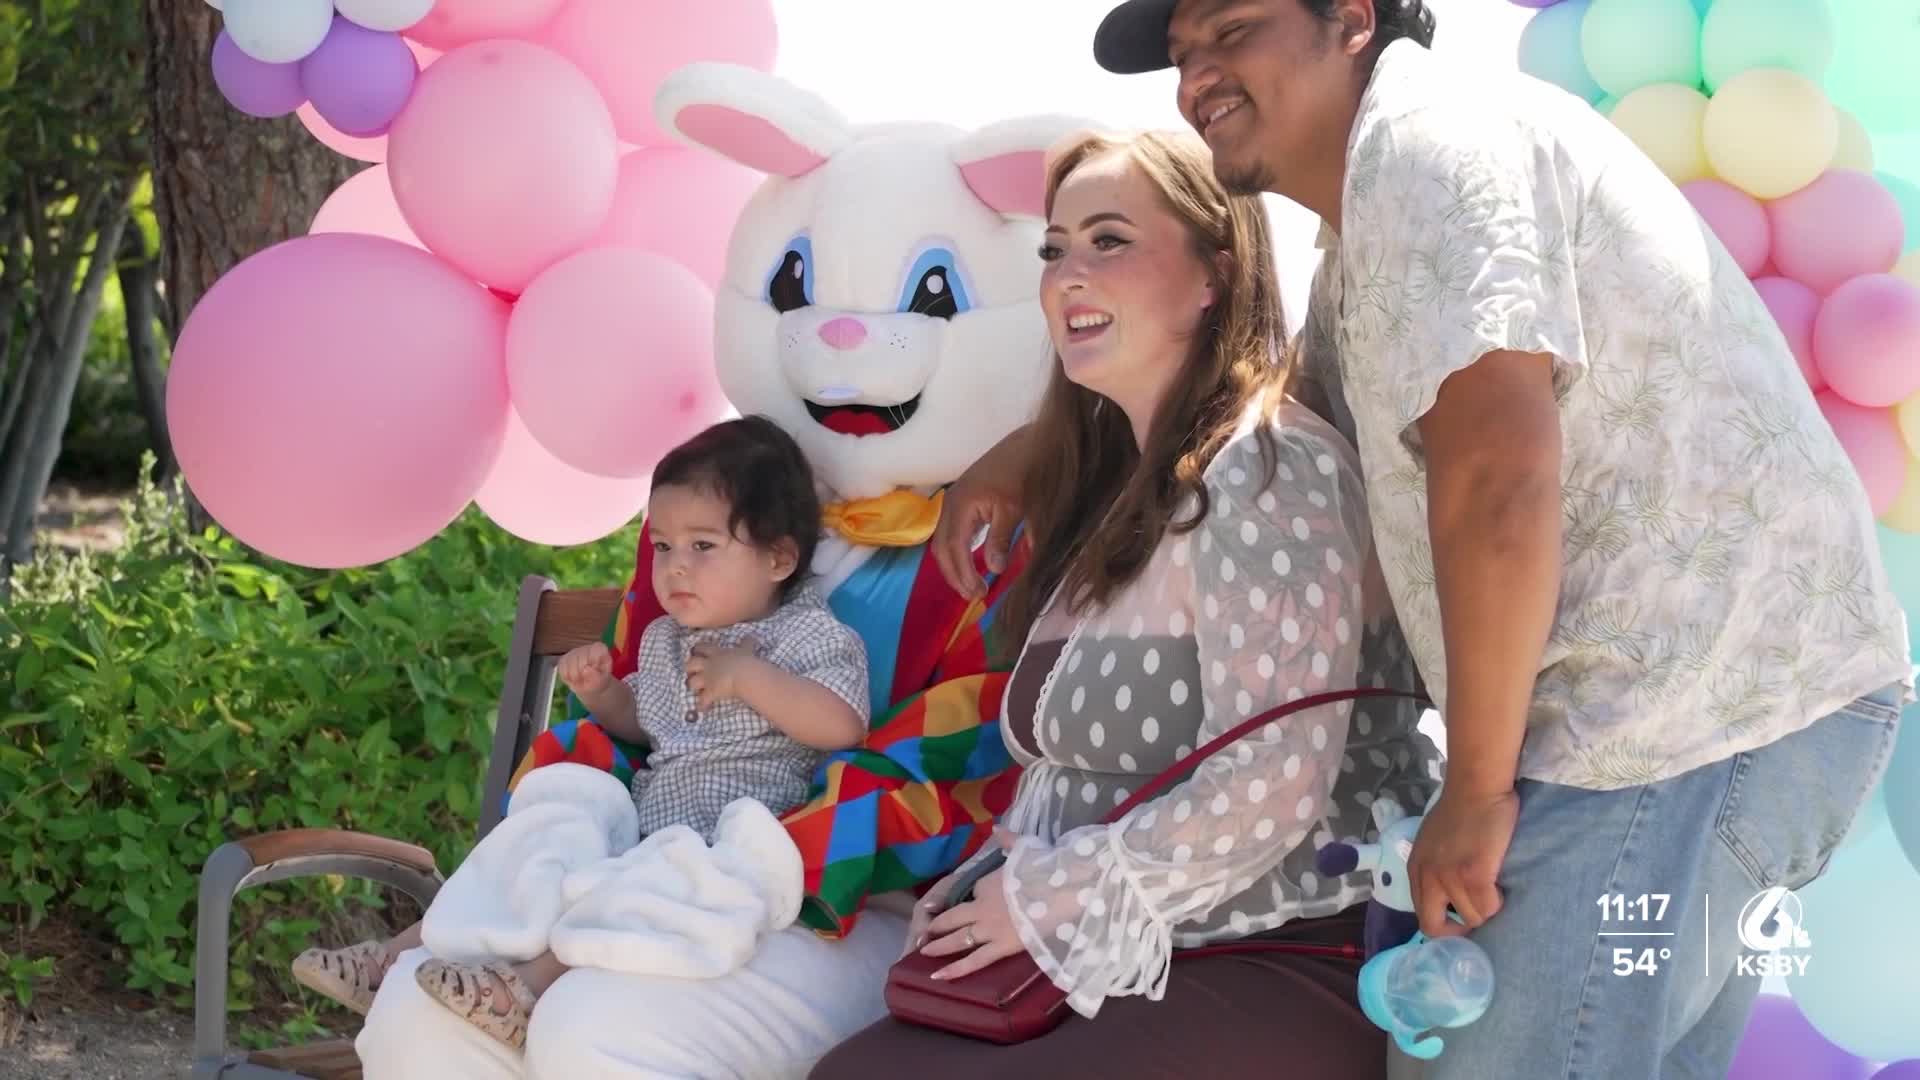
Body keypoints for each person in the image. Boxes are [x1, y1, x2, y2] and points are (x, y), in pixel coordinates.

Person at [931, 2, 1911, 1076]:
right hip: (1709, 713)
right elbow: (1279, 419)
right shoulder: (1368, 229)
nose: (1197, 74)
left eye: (1233, 28)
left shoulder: (1431, 146)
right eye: (1182, 53)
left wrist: (1475, 791)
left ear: (1352, 17)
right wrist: (1029, 455)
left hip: (1683, 719)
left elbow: (1496, 473)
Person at [812, 128, 1438, 1078]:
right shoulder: (1128, 493)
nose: (1068, 274)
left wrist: (1042, 899)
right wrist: (987, 887)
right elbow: (1067, 786)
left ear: (1212, 276)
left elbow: (1275, 782)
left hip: (1281, 944)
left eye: (1110, 241)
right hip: (1121, 951)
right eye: (1054, 247)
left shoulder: (1268, 470)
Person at [294, 415, 870, 1047]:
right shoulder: (665, 639)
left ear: (778, 558)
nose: (676, 568)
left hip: (722, 838)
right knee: (557, 812)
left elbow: (842, 724)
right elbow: (646, 727)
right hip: (651, 816)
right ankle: (402, 954)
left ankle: (525, 990)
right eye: (663, 547)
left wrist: (751, 678)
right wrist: (604, 694)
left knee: (644, 883)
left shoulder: (807, 633)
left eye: (703, 547)